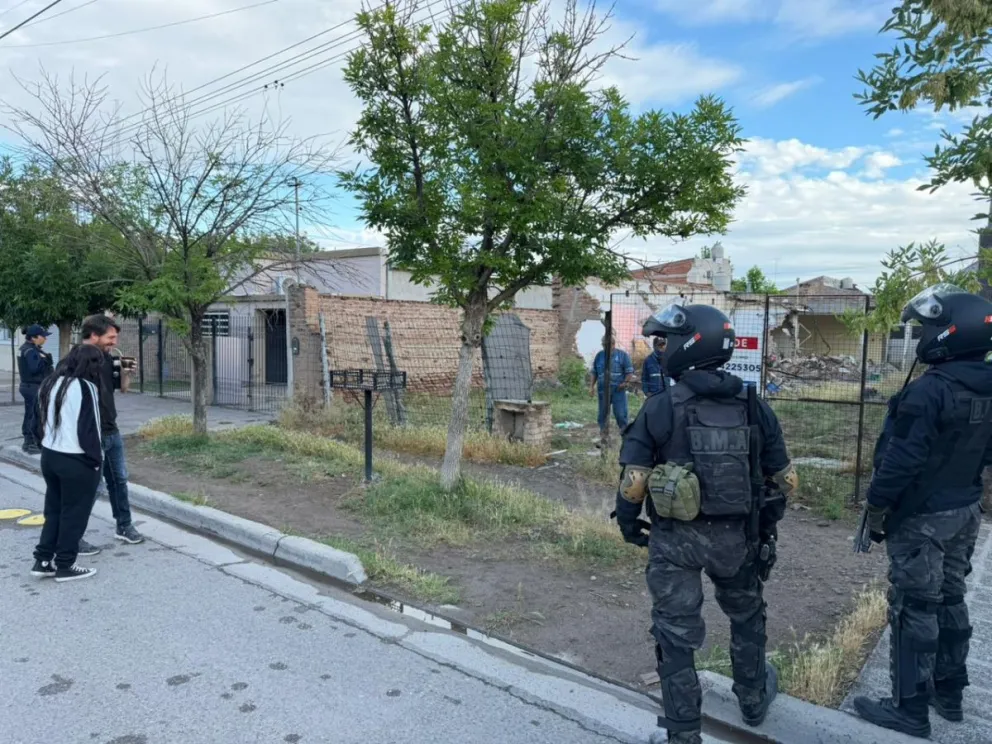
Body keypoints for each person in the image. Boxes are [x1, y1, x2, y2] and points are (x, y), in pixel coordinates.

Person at [612, 303, 797, 744]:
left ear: (688, 345)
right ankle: (753, 700)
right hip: (739, 539)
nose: (662, 348)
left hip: (675, 542)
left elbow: (634, 482)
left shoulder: (661, 407)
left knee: (675, 634)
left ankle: (682, 734)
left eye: (667, 341)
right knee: (747, 617)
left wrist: (626, 522)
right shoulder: (756, 407)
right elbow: (787, 480)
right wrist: (764, 525)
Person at [853, 284, 992, 739]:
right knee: (951, 598)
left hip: (921, 519)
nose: (923, 336)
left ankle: (909, 709)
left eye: (929, 327)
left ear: (949, 332)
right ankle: (949, 693)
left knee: (915, 606)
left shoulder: (928, 392)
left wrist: (876, 507)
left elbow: (900, 463)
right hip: (966, 510)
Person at [30, 344, 106, 583]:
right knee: (74, 513)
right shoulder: (86, 388)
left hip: (50, 456)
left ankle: (42, 560)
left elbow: (35, 423)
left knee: (53, 510)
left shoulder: (50, 383)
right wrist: (96, 461)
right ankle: (65, 564)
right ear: (91, 366)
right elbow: (90, 429)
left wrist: (46, 444)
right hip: (77, 459)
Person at [77, 314, 144, 554]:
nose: (113, 342)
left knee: (119, 480)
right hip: (90, 434)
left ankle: (124, 525)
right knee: (92, 487)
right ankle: (73, 535)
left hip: (111, 430)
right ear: (94, 335)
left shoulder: (107, 358)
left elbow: (122, 389)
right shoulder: (77, 361)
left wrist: (127, 373)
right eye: (110, 337)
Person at [17, 324, 55, 454]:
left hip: (29, 386)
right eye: (42, 336)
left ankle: (30, 441)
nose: (45, 339)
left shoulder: (27, 348)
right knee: (33, 415)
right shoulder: (31, 351)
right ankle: (30, 442)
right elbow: (34, 369)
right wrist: (46, 362)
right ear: (34, 337)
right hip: (32, 387)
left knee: (31, 414)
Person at [590, 331, 636, 435]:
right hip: (603, 389)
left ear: (613, 344)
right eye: (603, 345)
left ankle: (625, 434)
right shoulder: (599, 356)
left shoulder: (622, 355)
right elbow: (594, 372)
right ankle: (604, 436)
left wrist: (625, 383)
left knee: (620, 413)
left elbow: (629, 371)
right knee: (602, 414)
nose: (605, 347)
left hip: (618, 389)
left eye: (608, 345)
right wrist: (591, 387)